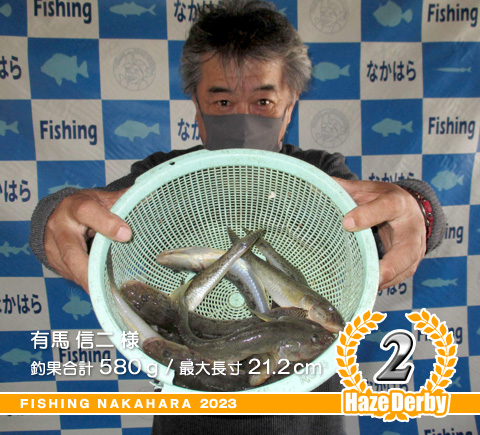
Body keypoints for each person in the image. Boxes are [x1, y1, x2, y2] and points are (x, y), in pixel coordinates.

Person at [29, 1, 444, 433]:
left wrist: (417, 209)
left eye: (263, 100)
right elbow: (69, 218)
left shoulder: (322, 174)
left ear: (290, 103)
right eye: (223, 100)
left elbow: (404, 213)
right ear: (196, 104)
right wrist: (56, 216)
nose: (243, 118)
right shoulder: (161, 176)